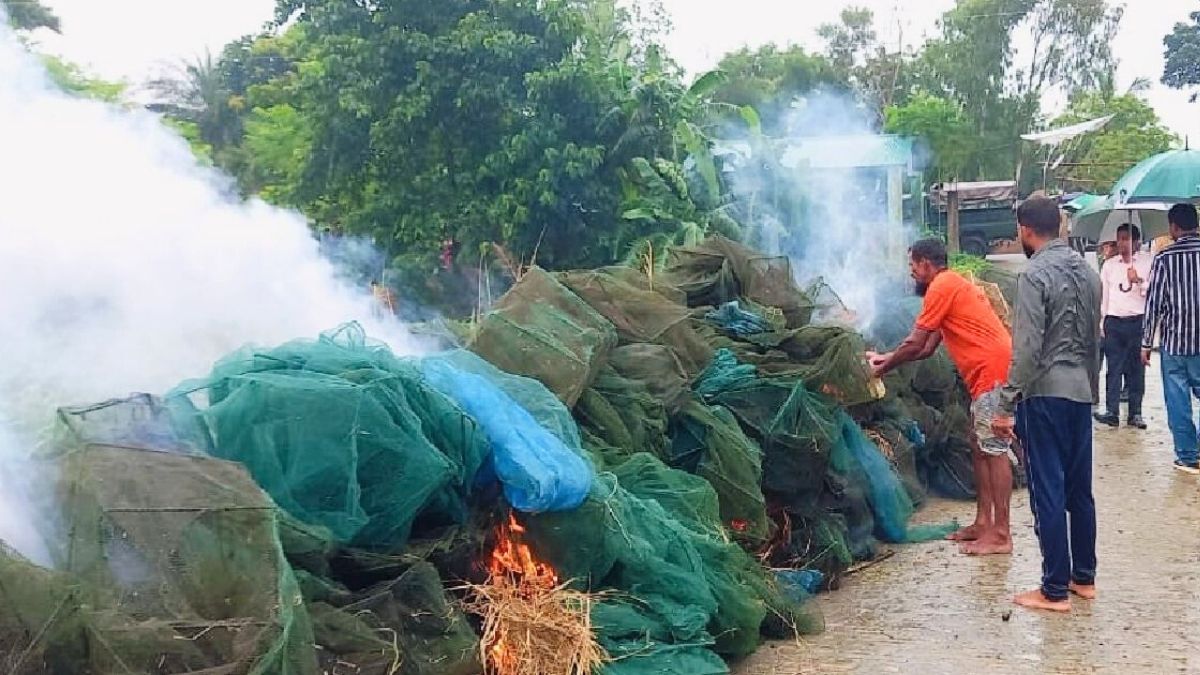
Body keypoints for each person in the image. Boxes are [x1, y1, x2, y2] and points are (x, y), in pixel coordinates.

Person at [867, 238, 1014, 556]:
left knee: (994, 448)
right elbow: (926, 347)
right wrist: (886, 358)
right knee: (978, 445)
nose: (911, 272)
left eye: (912, 265)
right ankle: (983, 522)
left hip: (991, 370)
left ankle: (1001, 534)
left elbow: (914, 341)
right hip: (985, 370)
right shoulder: (950, 286)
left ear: (925, 264)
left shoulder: (941, 286)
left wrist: (881, 368)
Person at [993, 195, 1101, 613]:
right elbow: (1094, 340)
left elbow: (1027, 348)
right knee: (1080, 491)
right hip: (1080, 394)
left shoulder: (1033, 274)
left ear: (1024, 230)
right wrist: (1091, 390)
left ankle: (1054, 589)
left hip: (1044, 396)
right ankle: (1083, 578)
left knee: (1048, 492)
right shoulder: (1089, 272)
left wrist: (1005, 404)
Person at [1141, 204, 1200, 474]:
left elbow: (1154, 304)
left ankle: (1188, 456)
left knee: (1178, 402)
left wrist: (1145, 344)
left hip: (1175, 345)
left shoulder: (1164, 259)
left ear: (1174, 227)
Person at [1094, 224, 1150, 429]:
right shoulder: (1109, 265)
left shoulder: (1147, 262)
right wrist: (1102, 322)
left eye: (1126, 239)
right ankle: (1112, 411)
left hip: (1137, 321)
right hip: (1114, 322)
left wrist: (1139, 281)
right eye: (1119, 239)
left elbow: (1153, 292)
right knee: (1113, 368)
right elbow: (1104, 296)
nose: (1122, 243)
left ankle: (1135, 413)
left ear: (1136, 242)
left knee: (1137, 369)